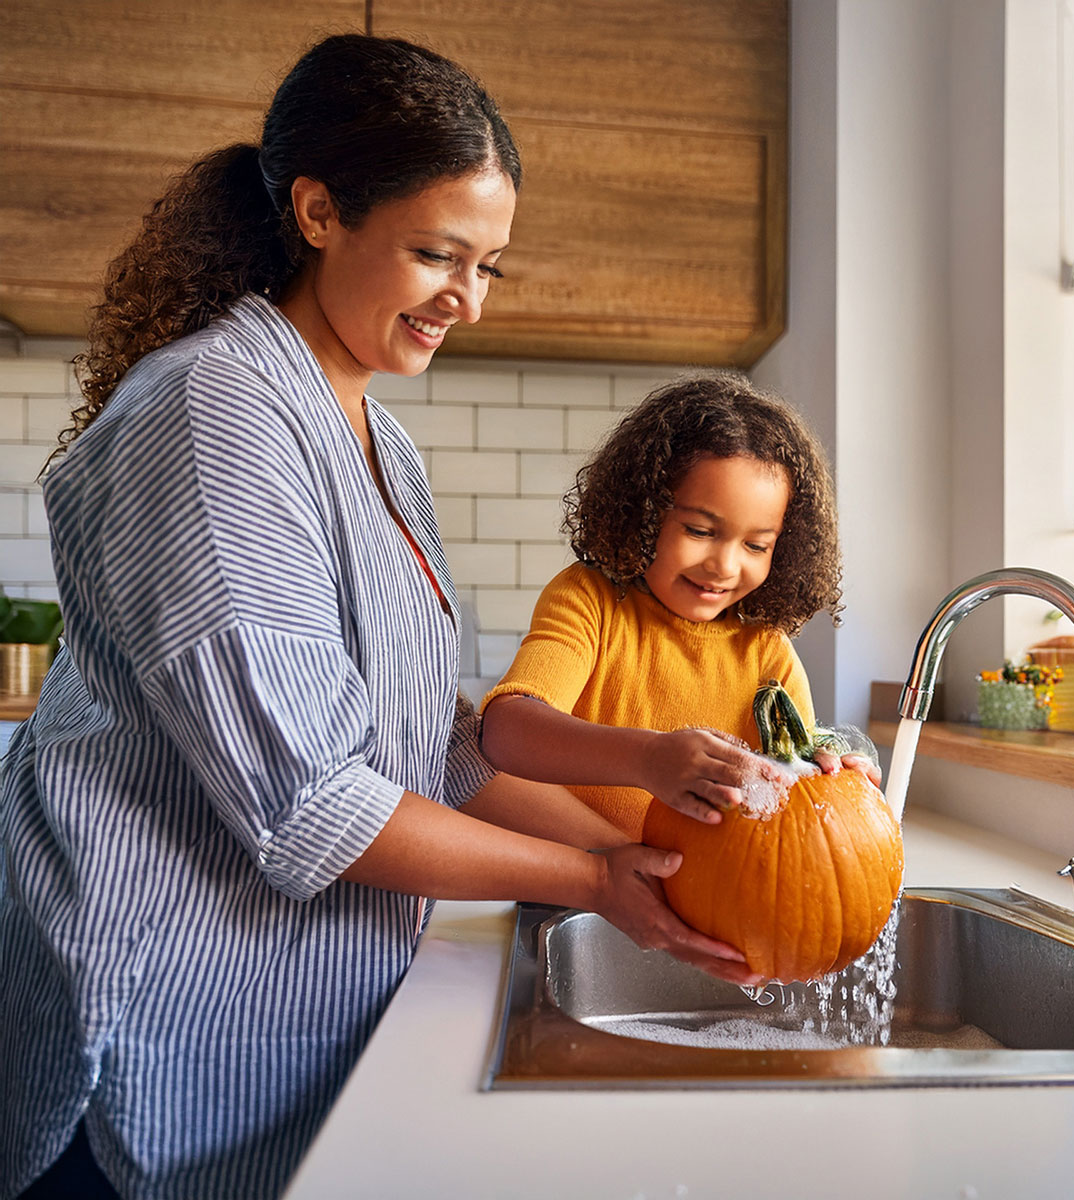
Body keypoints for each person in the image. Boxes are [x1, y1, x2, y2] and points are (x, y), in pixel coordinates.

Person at [0, 35, 758, 1200]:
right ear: (318, 212)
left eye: (490, 265)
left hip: (285, 1026)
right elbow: (314, 804)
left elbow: (427, 749)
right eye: (434, 254)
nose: (466, 297)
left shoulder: (376, 443)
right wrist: (593, 884)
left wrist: (645, 855)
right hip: (155, 1031)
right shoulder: (215, 416)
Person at [480, 371, 881, 840]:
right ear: (645, 513)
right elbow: (506, 731)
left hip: (697, 898)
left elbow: (789, 814)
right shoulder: (589, 600)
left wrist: (836, 784)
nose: (724, 566)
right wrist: (648, 759)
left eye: (756, 545)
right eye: (700, 531)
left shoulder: (768, 654)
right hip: (572, 881)